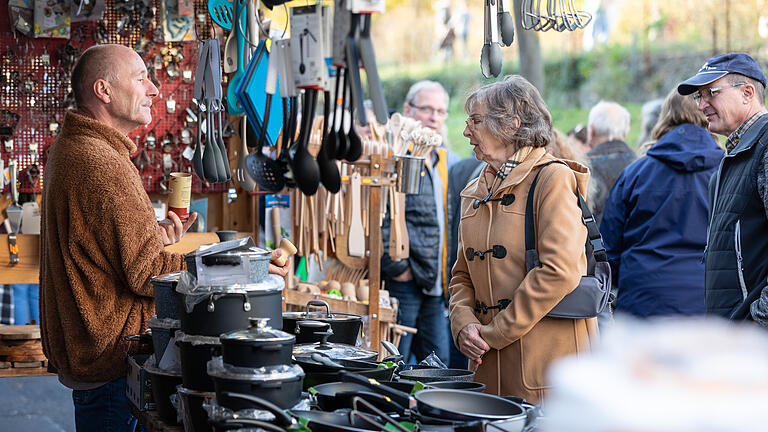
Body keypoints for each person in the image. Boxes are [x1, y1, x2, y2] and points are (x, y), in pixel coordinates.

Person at [39, 44, 288, 431]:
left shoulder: (75, 148)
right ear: (104, 91)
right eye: (142, 79)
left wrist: (154, 236)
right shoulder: (101, 162)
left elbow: (102, 250)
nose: (154, 89)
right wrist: (242, 267)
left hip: (94, 358)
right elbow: (147, 273)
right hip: (113, 364)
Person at [449, 75, 598, 402]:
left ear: (511, 124)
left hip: (547, 374)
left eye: (475, 120)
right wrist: (463, 325)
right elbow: (461, 274)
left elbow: (559, 271)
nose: (465, 131)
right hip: (487, 369)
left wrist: (495, 332)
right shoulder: (473, 192)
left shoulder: (552, 178)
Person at [600, 89, 724, 318]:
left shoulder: (635, 174)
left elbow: (609, 253)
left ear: (665, 116)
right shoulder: (727, 172)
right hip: (707, 306)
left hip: (643, 305)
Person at [676, 52, 768, 321]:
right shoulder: (739, 153)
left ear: (747, 93)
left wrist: (756, 323)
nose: (702, 104)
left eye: (711, 93)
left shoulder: (763, 146)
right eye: (698, 96)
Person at [382, 80, 459, 364]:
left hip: (437, 283)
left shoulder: (446, 161)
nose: (434, 117)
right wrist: (398, 268)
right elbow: (381, 216)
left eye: (441, 111)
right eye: (427, 109)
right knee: (393, 362)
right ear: (408, 109)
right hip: (405, 281)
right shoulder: (393, 158)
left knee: (439, 367)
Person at [584, 101, 636, 225]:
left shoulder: (580, 169)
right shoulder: (643, 166)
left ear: (591, 131)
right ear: (626, 131)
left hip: (590, 243)